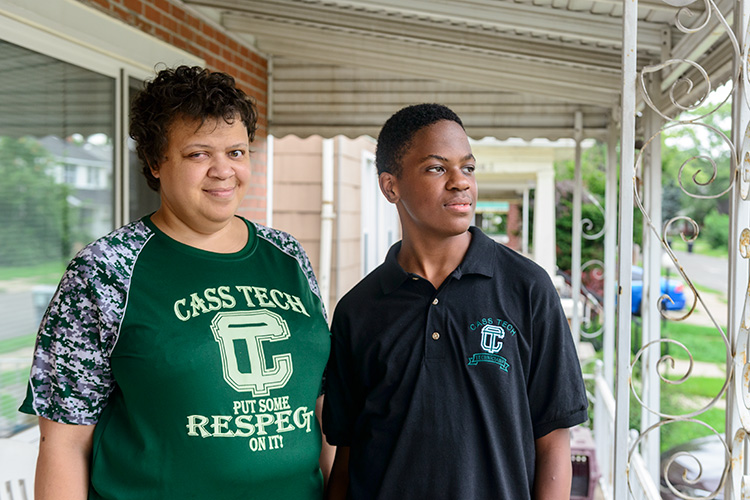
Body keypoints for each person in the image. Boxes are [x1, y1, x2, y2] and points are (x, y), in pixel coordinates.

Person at [20, 66, 332, 500]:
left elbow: (322, 407)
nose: (224, 171)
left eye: (236, 152)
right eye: (198, 154)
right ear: (155, 162)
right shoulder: (106, 268)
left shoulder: (287, 256)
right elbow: (65, 441)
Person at [322, 103, 589, 499]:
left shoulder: (527, 288)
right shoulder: (359, 309)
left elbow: (552, 440)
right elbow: (347, 452)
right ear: (390, 185)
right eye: (436, 168)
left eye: (467, 167)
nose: (459, 182)